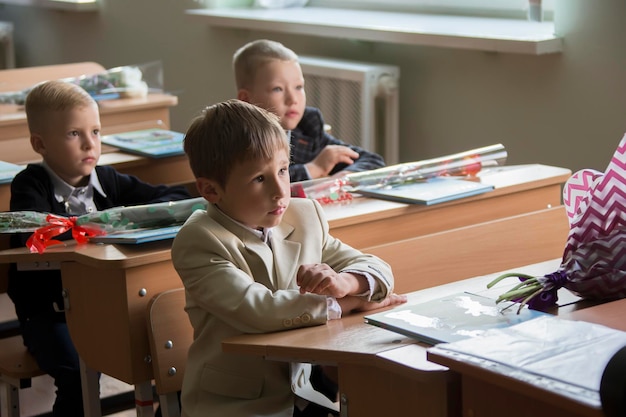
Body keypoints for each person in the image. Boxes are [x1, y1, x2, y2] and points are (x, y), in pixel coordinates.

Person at [171, 99, 406, 417]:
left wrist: (344, 282)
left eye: (283, 170)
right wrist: (350, 304)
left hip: (299, 396)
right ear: (211, 191)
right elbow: (259, 309)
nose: (281, 191)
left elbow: (376, 267)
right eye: (259, 179)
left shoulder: (303, 215)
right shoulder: (199, 240)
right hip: (234, 405)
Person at [8, 80, 191, 417]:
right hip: (48, 314)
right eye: (73, 134)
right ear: (40, 144)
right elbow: (31, 236)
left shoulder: (107, 180)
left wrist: (125, 218)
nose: (90, 143)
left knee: (172, 353)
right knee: (77, 375)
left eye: (95, 130)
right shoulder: (30, 184)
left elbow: (174, 199)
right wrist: (97, 227)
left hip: (106, 305)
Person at [233, 39, 386, 183]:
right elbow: (258, 182)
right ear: (246, 99)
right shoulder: (237, 139)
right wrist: (313, 169)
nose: (293, 99)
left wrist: (346, 176)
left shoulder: (307, 129)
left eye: (298, 87)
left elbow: (373, 161)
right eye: (277, 89)